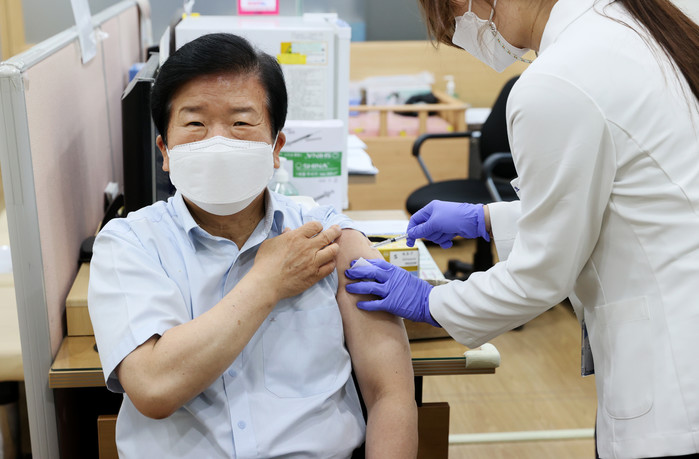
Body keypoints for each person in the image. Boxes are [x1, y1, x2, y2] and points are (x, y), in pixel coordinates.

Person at [345, 1, 699, 458]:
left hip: (676, 385)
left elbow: (540, 275)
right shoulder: (625, 28)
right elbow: (623, 202)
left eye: (454, 20)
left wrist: (429, 301)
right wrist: (486, 219)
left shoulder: (559, 79)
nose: (463, 36)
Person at [88, 33, 417, 458]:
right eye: (195, 123)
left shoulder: (330, 238)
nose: (217, 143)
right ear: (165, 151)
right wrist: (268, 281)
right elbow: (153, 387)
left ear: (276, 147)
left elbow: (391, 393)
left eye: (241, 123)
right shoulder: (129, 244)